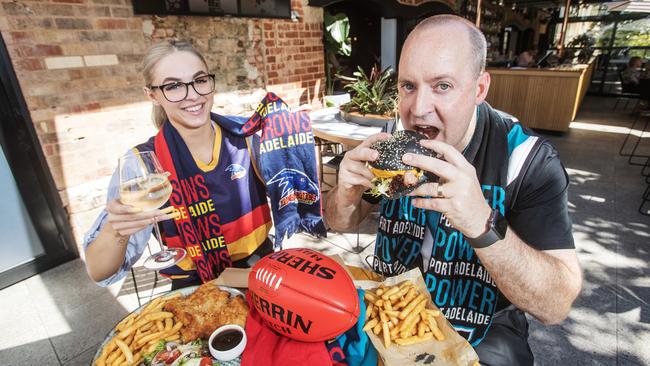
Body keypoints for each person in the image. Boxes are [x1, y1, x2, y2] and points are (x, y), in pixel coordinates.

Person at [325, 15, 582, 365]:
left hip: (484, 326)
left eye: (442, 86)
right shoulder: (392, 139)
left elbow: (556, 305)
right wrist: (345, 194)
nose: (417, 110)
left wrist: (482, 222)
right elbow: (340, 223)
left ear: (479, 88)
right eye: (408, 86)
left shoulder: (526, 160)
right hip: (391, 309)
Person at [84, 40, 273, 290]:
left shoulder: (248, 137)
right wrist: (116, 231)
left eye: (200, 80)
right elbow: (99, 272)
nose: (193, 95)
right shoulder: (142, 164)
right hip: (193, 289)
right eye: (173, 86)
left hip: (260, 273)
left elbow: (298, 204)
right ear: (152, 95)